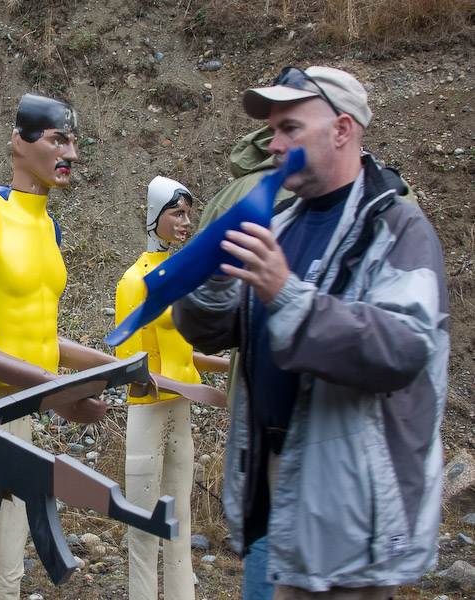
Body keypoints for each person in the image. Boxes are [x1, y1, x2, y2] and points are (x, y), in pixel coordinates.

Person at [171, 66, 448, 598]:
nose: (274, 145)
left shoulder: (397, 227)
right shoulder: (279, 223)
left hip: (350, 500)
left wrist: (286, 293)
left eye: (290, 129)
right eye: (273, 130)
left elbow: (403, 347)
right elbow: (215, 332)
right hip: (273, 476)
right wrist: (207, 282)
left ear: (342, 130)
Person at [0, 93, 125, 600]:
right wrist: (58, 391)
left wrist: (118, 367)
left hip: (22, 415)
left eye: (74, 142)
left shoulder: (48, 228)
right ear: (19, 141)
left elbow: (41, 337)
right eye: (58, 140)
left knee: (7, 573)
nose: (71, 154)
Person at [114, 177, 228, 600]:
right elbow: (128, 363)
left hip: (181, 408)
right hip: (148, 410)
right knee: (144, 523)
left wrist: (230, 367)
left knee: (180, 518)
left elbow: (185, 354)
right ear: (154, 215)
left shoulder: (181, 276)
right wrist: (186, 386)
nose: (185, 221)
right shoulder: (134, 281)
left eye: (187, 213)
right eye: (176, 213)